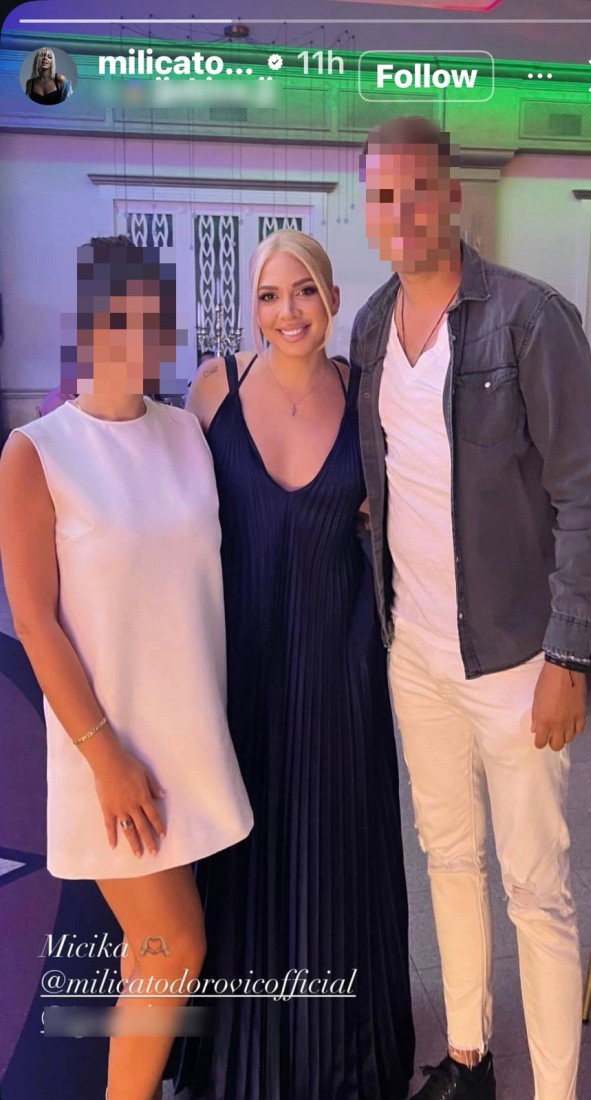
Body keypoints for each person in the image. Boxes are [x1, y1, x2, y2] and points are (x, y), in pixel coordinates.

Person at [351, 117, 591, 1100]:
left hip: (516, 660)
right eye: (383, 196)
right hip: (416, 651)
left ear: (452, 196)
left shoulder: (528, 318)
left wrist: (566, 655)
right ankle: (467, 1058)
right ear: (368, 210)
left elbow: (586, 497)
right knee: (448, 857)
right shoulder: (371, 328)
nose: (402, 212)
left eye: (417, 190)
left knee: (535, 888)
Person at [0, 235, 253, 1100]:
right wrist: (105, 756)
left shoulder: (186, 433)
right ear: (85, 322)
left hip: (190, 736)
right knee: (174, 947)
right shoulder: (37, 451)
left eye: (153, 320)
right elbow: (36, 621)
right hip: (107, 751)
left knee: (155, 956)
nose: (137, 337)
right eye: (118, 317)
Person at [173, 229, 415, 1100]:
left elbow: (412, 503)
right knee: (241, 858)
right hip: (239, 671)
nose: (289, 311)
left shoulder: (364, 393)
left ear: (333, 299)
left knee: (334, 860)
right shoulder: (214, 389)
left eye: (305, 290)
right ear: (252, 308)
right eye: (271, 295)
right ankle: (240, 1057)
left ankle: (338, 1055)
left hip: (339, 669)